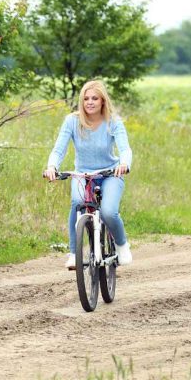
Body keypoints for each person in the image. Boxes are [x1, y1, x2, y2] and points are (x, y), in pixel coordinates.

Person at [42, 80, 133, 270]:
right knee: (77, 204)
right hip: (82, 175)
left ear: (102, 101)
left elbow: (125, 149)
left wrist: (124, 164)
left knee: (108, 211)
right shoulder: (72, 121)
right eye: (86, 98)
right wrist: (52, 166)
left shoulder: (113, 122)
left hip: (110, 173)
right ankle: (74, 253)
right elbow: (59, 150)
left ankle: (121, 245)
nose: (90, 102)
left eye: (94, 98)